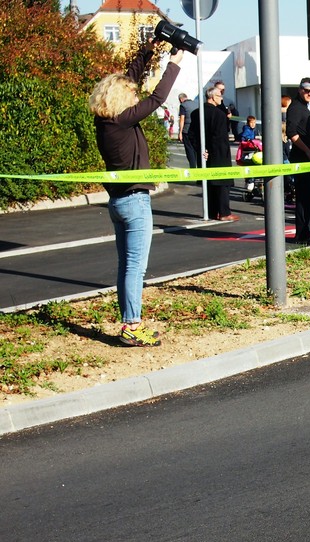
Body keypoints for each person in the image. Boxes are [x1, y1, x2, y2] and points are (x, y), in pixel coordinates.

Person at [89, 40, 183, 348]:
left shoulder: (106, 121)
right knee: (135, 268)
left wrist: (149, 49)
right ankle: (131, 326)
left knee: (126, 266)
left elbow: (131, 77)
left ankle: (130, 321)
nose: (135, 95)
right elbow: (157, 97)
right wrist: (175, 62)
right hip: (135, 202)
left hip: (118, 202)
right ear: (120, 99)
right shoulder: (122, 120)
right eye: (131, 94)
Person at [189, 85, 237, 221]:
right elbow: (220, 138)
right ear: (212, 97)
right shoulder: (219, 115)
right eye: (219, 96)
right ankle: (224, 213)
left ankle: (211, 212)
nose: (221, 98)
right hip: (219, 154)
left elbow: (191, 134)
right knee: (222, 185)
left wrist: (201, 149)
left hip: (204, 154)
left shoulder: (196, 113)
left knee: (209, 184)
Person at [285, 78, 310, 245]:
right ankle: (302, 233)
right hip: (302, 157)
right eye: (306, 90)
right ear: (300, 90)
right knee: (303, 197)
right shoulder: (295, 108)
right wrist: (307, 150)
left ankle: (308, 231)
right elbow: (291, 133)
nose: (309, 93)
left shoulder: (306, 108)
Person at [177, 92, 198, 168]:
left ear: (181, 99)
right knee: (196, 150)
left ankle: (192, 167)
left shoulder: (183, 105)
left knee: (189, 150)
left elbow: (182, 119)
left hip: (187, 130)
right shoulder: (196, 104)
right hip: (196, 130)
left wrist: (180, 132)